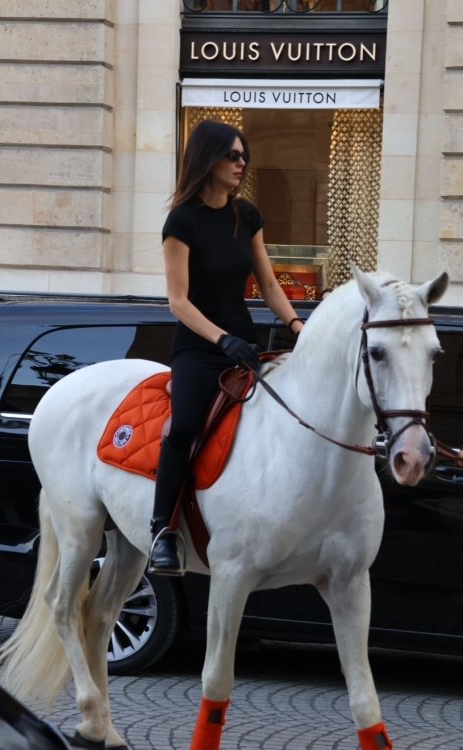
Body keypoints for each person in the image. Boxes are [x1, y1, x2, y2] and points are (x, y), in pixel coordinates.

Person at [150, 120, 305, 575]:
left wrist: (298, 324)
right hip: (199, 347)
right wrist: (221, 337)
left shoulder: (247, 215)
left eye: (244, 157)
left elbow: (270, 284)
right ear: (208, 159)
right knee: (185, 426)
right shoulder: (181, 220)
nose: (242, 164)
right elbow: (178, 302)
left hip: (245, 344)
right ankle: (163, 529)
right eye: (233, 156)